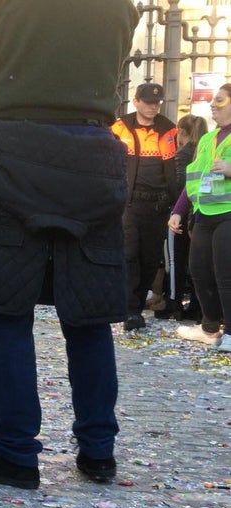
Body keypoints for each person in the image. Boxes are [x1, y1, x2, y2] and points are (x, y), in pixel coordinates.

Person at [0, 0, 138, 489]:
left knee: (7, 312)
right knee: (88, 316)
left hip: (12, 154)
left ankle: (15, 451)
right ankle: (98, 451)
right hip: (91, 158)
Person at [111, 82, 180, 331]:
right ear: (136, 101)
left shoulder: (167, 129)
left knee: (150, 258)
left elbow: (171, 170)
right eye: (149, 102)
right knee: (129, 254)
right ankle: (130, 309)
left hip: (157, 204)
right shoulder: (120, 127)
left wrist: (176, 205)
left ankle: (136, 306)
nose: (153, 106)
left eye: (157, 102)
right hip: (130, 203)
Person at [171, 84, 231, 351]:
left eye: (219, 101)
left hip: (228, 212)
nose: (212, 106)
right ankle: (209, 327)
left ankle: (229, 332)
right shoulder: (208, 139)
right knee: (199, 269)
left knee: (225, 273)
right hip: (205, 212)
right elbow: (194, 178)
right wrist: (178, 210)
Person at [161, 113, 209, 322]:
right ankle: (199, 307)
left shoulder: (183, 153)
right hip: (200, 214)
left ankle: (174, 304)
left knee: (176, 261)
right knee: (199, 264)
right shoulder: (206, 149)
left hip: (182, 214)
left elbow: (180, 184)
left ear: (181, 132)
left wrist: (174, 209)